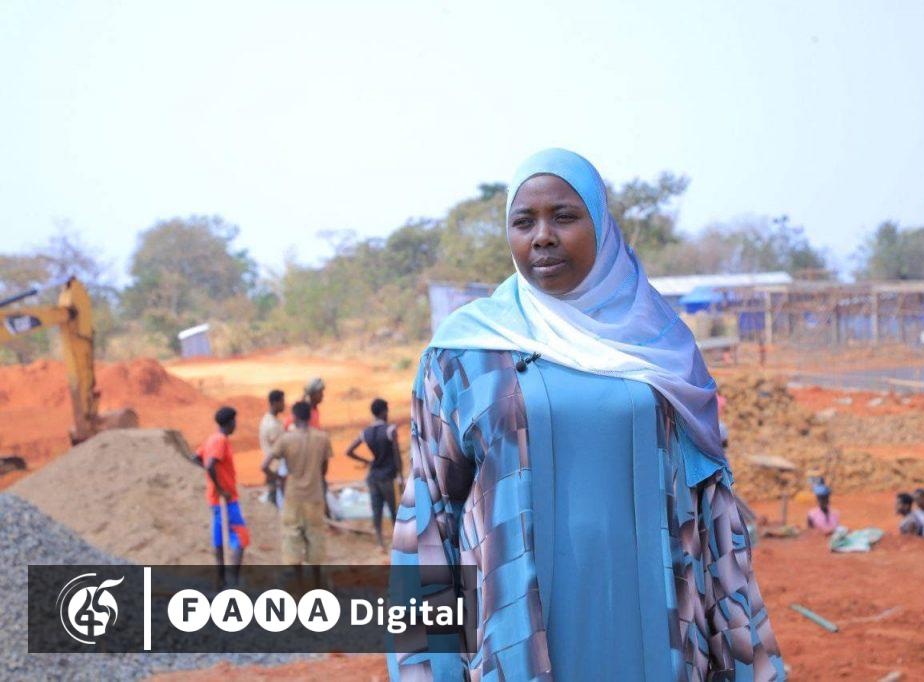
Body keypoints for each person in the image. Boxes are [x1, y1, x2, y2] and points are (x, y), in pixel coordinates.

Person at [388, 149, 783, 680]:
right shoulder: (466, 354)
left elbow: (710, 516)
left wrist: (743, 659)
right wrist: (426, 667)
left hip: (657, 639)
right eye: (523, 222)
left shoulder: (662, 351)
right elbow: (433, 516)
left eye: (564, 217)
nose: (542, 237)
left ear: (602, 225)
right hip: (513, 645)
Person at [263, 401, 334, 584]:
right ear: (310, 416)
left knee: (292, 538)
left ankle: (299, 583)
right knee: (316, 537)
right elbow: (324, 470)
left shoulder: (286, 439)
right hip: (315, 496)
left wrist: (280, 478)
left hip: (293, 496)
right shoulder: (322, 438)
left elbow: (265, 466)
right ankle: (317, 584)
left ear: (293, 417)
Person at [194, 406, 249, 588]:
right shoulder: (221, 441)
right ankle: (233, 581)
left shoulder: (211, 439)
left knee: (219, 538)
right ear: (230, 422)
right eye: (235, 421)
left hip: (215, 499)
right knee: (241, 537)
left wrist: (213, 482)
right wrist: (220, 488)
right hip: (226, 499)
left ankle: (221, 580)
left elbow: (197, 458)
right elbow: (210, 464)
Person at [345, 398, 404, 548]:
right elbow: (397, 455)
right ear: (384, 412)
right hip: (388, 477)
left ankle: (380, 541)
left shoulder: (366, 432)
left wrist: (367, 461)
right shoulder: (390, 430)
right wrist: (401, 477)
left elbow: (349, 451)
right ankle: (398, 541)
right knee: (395, 509)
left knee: (377, 509)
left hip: (373, 476)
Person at [259, 389, 286, 507]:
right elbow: (281, 448)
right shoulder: (272, 425)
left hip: (274, 467)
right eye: (282, 401)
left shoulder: (271, 420)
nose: (284, 404)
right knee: (275, 503)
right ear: (275, 403)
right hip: (276, 469)